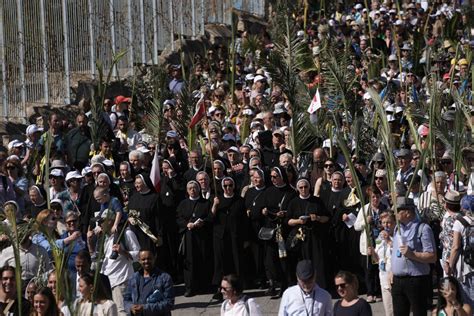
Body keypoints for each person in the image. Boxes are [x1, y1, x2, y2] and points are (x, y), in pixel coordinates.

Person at [391, 196, 437, 316]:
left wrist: (412, 254)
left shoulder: (423, 229)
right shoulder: (397, 228)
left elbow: (432, 257)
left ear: (407, 212)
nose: (395, 214)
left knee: (419, 313)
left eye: (398, 211)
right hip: (397, 280)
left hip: (416, 280)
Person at [176, 181, 212, 296]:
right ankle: (190, 287)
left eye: (195, 188)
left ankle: (204, 286)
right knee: (189, 261)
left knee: (203, 258)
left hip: (202, 236)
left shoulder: (206, 203)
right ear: (187, 190)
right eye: (190, 188)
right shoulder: (183, 204)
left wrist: (203, 222)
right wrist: (186, 224)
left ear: (199, 189)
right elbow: (178, 218)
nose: (193, 190)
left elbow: (210, 217)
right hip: (189, 236)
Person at [124, 249, 175, 315]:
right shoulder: (133, 278)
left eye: (149, 258)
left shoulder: (165, 278)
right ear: (139, 260)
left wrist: (144, 308)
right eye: (143, 259)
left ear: (154, 258)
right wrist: (131, 308)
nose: (146, 261)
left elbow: (169, 303)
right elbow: (126, 300)